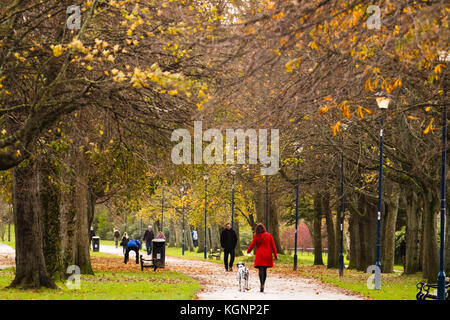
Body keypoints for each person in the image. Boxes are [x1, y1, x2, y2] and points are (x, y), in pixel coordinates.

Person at [247, 223, 277, 293]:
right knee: (265, 269)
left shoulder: (256, 236)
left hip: (260, 254)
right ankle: (263, 284)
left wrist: (248, 251)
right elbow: (273, 246)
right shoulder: (269, 235)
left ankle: (261, 284)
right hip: (268, 254)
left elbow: (252, 244)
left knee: (261, 269)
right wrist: (275, 255)